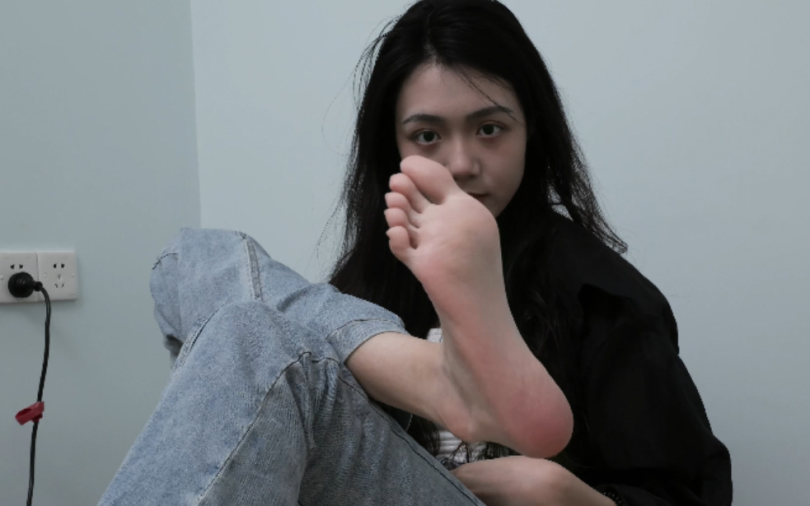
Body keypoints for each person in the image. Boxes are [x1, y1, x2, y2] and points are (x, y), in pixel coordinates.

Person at [98, 0, 732, 505]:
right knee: (196, 264)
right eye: (427, 136)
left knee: (252, 329)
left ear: (532, 131)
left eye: (489, 128)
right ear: (393, 148)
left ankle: (445, 380)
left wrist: (561, 493)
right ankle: (441, 378)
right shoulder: (373, 275)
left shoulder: (602, 295)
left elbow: (687, 492)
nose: (460, 163)